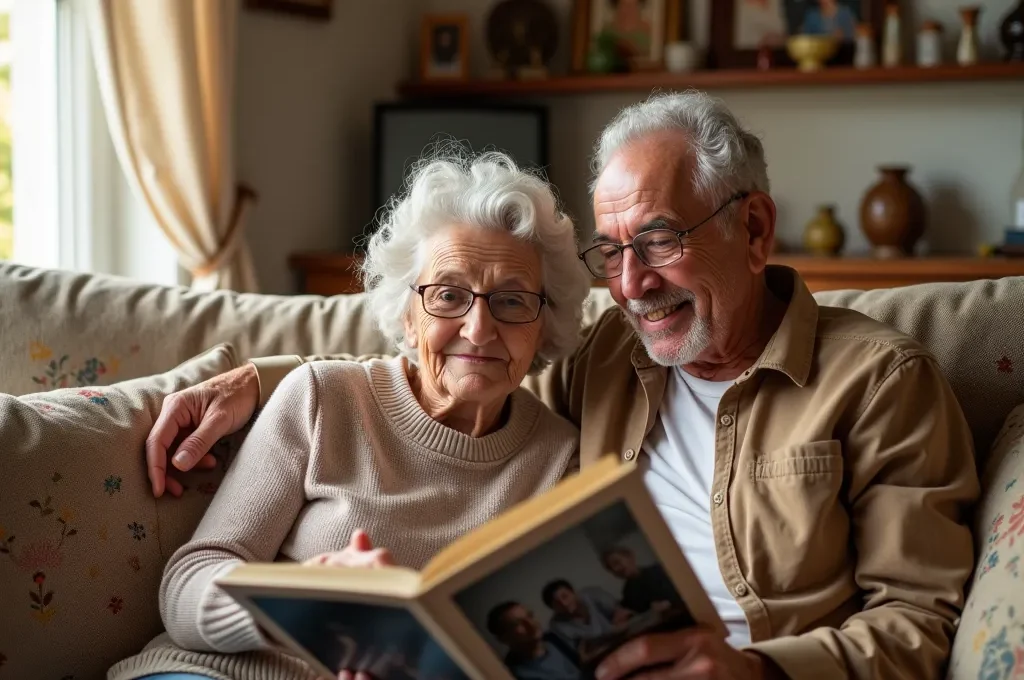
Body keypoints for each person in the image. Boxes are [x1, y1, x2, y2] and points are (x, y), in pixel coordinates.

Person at [148, 91, 980, 680]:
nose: (631, 284)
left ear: (754, 228)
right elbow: (443, 371)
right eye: (610, 253)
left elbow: (919, 621)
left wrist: (759, 671)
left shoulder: (880, 383)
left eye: (657, 241)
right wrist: (266, 380)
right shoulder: (609, 359)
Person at [106, 150, 592, 680]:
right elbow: (185, 586)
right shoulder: (323, 397)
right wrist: (302, 603)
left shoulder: (558, 463)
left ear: (546, 326)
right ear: (408, 318)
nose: (478, 328)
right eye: (448, 295)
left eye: (513, 301)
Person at [487, 601, 581, 680]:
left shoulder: (555, 639)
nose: (531, 624)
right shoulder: (513, 674)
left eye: (530, 616)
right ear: (504, 638)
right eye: (518, 623)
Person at [541, 579, 633, 653]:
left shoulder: (592, 594)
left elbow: (621, 612)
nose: (564, 604)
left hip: (625, 639)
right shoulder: (557, 625)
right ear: (553, 609)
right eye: (557, 604)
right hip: (601, 654)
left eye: (565, 596)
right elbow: (580, 650)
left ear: (573, 592)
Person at [600, 547, 682, 615]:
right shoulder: (627, 592)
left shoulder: (660, 571)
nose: (616, 569)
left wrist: (668, 603)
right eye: (611, 569)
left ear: (630, 557)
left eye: (617, 563)